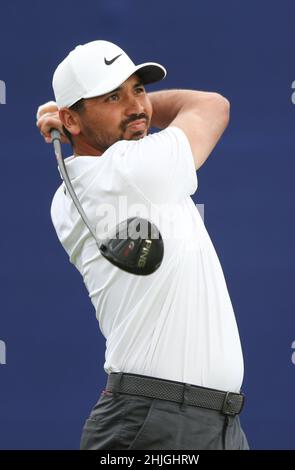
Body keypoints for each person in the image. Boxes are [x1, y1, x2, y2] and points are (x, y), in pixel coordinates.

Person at [37, 39, 249, 450]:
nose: (136, 106)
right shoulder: (133, 170)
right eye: (113, 96)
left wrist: (76, 115)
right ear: (72, 121)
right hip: (160, 424)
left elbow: (130, 122)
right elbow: (212, 105)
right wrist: (74, 113)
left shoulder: (73, 191)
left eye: (139, 89)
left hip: (193, 421)